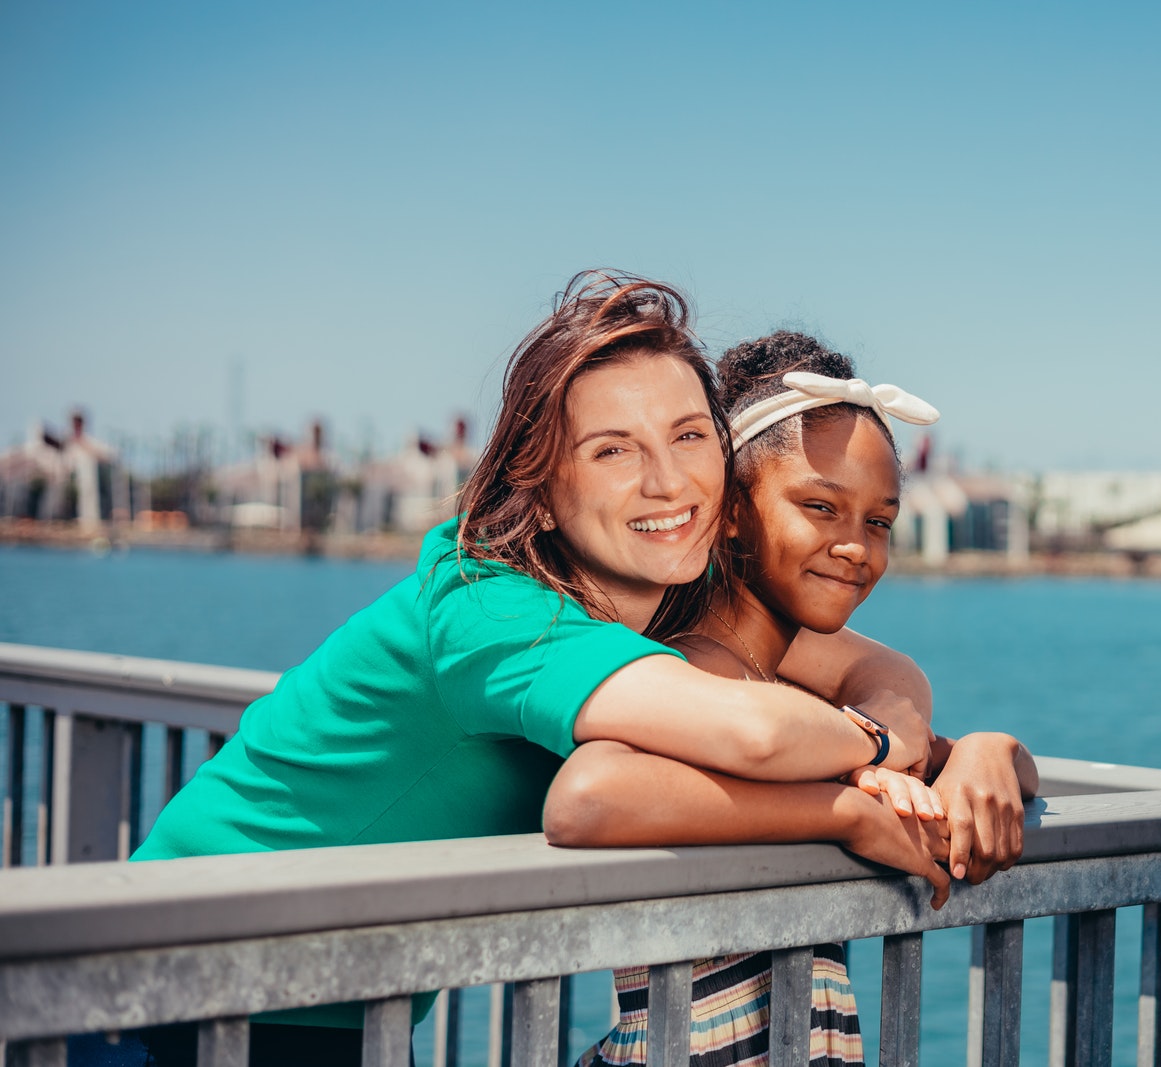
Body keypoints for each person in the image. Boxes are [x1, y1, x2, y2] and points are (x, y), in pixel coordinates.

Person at [111, 274, 946, 1067]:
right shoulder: (490, 605)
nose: (669, 480)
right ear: (542, 490)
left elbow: (865, 661)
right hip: (180, 987)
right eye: (614, 450)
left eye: (690, 436)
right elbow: (757, 730)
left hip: (344, 991)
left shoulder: (657, 592)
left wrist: (966, 750)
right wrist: (856, 787)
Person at [553, 331, 1038, 1067]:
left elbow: (980, 766)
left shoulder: (786, 696)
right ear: (733, 511)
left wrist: (984, 751)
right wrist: (842, 813)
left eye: (879, 521)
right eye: (821, 506)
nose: (856, 546)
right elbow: (587, 795)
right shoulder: (692, 680)